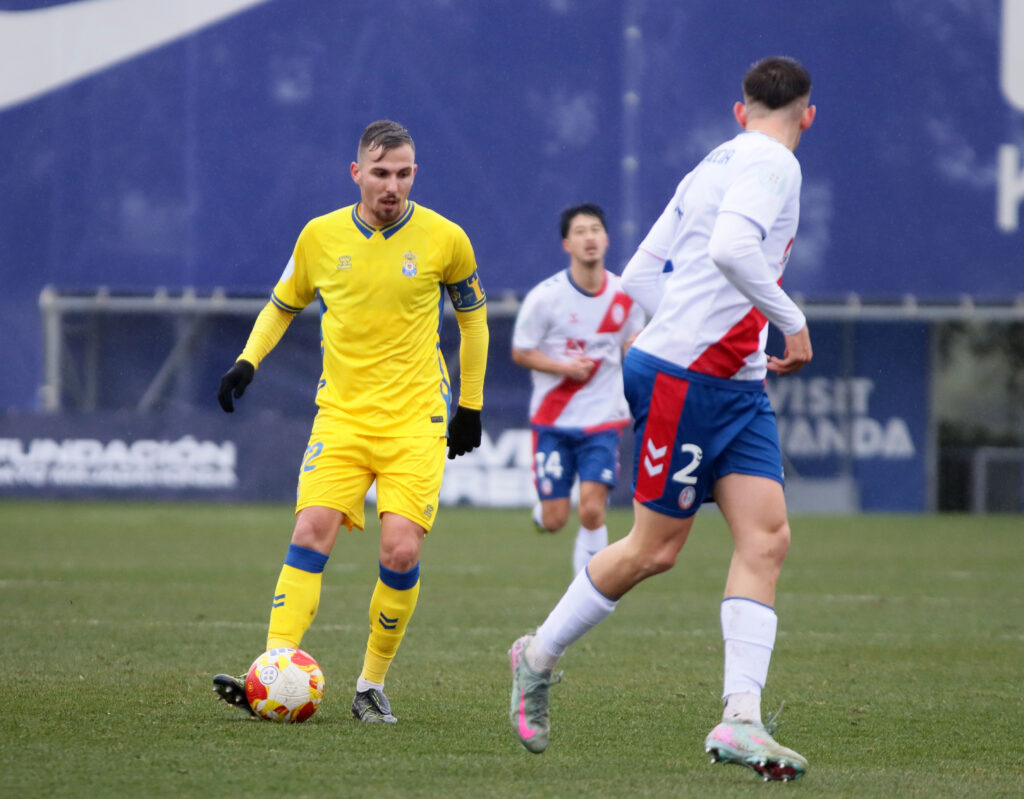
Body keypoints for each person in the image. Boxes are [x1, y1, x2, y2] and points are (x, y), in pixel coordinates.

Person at [507, 57, 816, 782]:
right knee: (654, 549)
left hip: (733, 383)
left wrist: (694, 330)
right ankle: (536, 656)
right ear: (809, 114)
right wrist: (791, 323)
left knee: (767, 538)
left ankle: (740, 718)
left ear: (740, 110)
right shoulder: (776, 163)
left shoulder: (712, 163)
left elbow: (643, 277)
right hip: (686, 379)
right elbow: (732, 250)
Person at [213, 119, 489, 723]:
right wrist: (246, 362)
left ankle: (370, 685)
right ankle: (273, 671)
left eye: (403, 173)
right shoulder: (320, 236)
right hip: (340, 417)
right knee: (310, 530)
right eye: (381, 173)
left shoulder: (446, 239)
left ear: (415, 173)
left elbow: (473, 321)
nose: (392, 185)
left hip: (415, 420)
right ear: (356, 172)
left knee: (400, 551)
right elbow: (281, 306)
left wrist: (470, 405)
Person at [511, 204, 645, 574]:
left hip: (602, 418)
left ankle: (588, 591)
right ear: (566, 244)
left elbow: (631, 345)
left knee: (592, 509)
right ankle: (543, 513)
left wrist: (638, 355)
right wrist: (564, 368)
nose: (589, 238)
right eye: (581, 232)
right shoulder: (545, 297)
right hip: (553, 419)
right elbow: (520, 351)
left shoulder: (624, 295)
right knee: (555, 519)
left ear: (607, 238)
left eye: (595, 230)